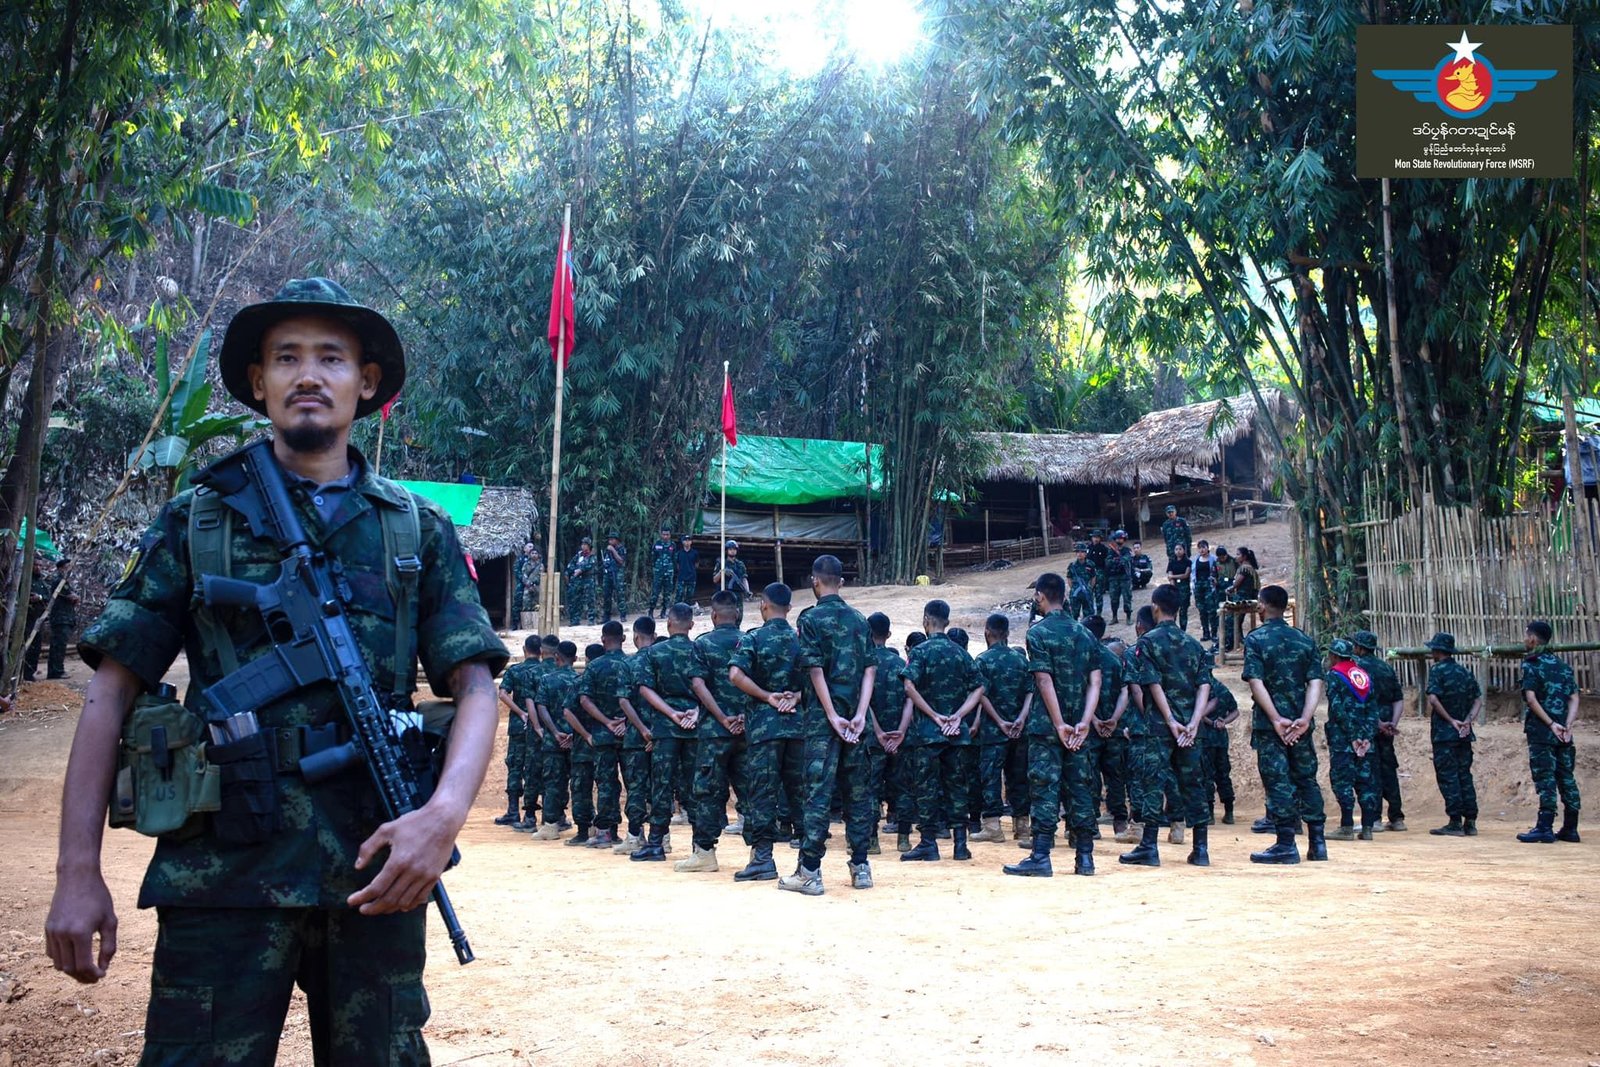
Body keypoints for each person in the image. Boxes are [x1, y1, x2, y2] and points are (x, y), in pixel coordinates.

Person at [46, 277, 507, 1062]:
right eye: (286, 357)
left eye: (331, 357)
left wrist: (443, 817)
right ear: (258, 382)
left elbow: (476, 686)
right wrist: (76, 871)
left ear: (366, 381)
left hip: (376, 867)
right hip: (222, 874)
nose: (308, 374)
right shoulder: (197, 520)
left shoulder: (415, 529)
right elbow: (110, 690)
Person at [787, 555, 877, 895]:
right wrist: (860, 714)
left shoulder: (810, 619)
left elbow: (814, 670)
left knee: (818, 794)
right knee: (858, 794)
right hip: (856, 722)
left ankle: (810, 871)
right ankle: (861, 867)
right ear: (841, 581)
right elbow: (870, 669)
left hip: (824, 725)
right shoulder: (859, 620)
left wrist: (831, 715)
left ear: (815, 580)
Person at [1003, 572, 1103, 878]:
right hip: (1079, 729)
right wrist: (1084, 722)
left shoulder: (1038, 633)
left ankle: (1041, 856)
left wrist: (1059, 724)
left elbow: (1043, 681)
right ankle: (1085, 858)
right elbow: (1095, 682)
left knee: (1045, 788)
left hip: (1048, 728)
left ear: (1041, 596)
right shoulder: (1085, 634)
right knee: (1080, 787)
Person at [1120, 585, 1213, 867]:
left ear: (1155, 607)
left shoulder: (1147, 642)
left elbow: (1152, 683)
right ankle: (1200, 849)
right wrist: (1193, 722)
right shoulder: (1194, 644)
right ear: (1179, 609)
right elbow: (1205, 686)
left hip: (1159, 727)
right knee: (1193, 784)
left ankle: (1149, 847)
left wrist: (1170, 720)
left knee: (1153, 783)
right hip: (1190, 729)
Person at [1243, 585, 1326, 865]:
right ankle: (1318, 844)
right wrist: (1305, 718)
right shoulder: (1304, 640)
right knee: (1306, 779)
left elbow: (1256, 682)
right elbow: (1315, 682)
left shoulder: (1256, 639)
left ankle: (1286, 844)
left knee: (1278, 781)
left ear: (1263, 606)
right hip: (1301, 725)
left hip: (1271, 727)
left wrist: (1276, 719)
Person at [728, 583, 806, 882]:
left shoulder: (754, 638)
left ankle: (763, 858)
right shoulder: (801, 639)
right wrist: (795, 696)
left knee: (762, 792)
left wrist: (766, 696)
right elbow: (817, 676)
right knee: (801, 794)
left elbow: (735, 674)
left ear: (763, 605)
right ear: (789, 608)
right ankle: (808, 863)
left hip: (764, 729)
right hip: (797, 727)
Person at [899, 600, 984, 863]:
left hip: (928, 733)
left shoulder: (920, 652)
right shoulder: (960, 653)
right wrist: (958, 715)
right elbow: (979, 688)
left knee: (926, 788)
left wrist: (933, 715)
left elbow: (909, 686)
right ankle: (960, 845)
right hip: (957, 734)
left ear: (926, 620)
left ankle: (928, 843)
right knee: (957, 787)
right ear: (947, 622)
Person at [631, 603, 710, 861]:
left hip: (666, 728)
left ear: (668, 624)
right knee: (695, 785)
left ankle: (657, 843)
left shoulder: (654, 652)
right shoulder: (700, 649)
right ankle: (701, 846)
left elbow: (645, 689)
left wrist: (671, 713)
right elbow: (709, 687)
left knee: (661, 785)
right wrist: (696, 711)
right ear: (691, 625)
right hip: (695, 727)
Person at [678, 590, 749, 874]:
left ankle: (705, 853)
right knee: (753, 791)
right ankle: (761, 854)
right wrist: (743, 716)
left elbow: (698, 685)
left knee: (707, 791)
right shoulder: (749, 641)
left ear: (714, 615)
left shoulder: (703, 644)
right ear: (738, 614)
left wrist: (721, 717)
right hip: (747, 730)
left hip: (713, 732)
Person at [1516, 619, 1581, 844]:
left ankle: (1544, 827)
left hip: (1542, 732)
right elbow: (1574, 698)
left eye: (1526, 635)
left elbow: (1531, 699)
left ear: (1533, 638)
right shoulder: (1562, 666)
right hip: (1564, 733)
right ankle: (1571, 828)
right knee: (1566, 777)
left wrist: (1551, 724)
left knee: (1545, 778)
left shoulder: (1531, 664)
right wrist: (1568, 725)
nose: (1524, 639)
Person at [972, 613, 1032, 844]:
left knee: (991, 776)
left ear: (987, 632)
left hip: (993, 732)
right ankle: (1022, 826)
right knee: (1019, 776)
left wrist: (999, 721)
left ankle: (993, 826)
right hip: (1020, 730)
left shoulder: (983, 661)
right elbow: (1031, 691)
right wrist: (1021, 718)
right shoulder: (1021, 660)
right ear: (1007, 633)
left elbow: (981, 695)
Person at [576, 623, 632, 848]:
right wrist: (625, 720)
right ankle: (636, 833)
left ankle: (605, 833)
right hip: (630, 734)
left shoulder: (594, 666)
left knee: (606, 784)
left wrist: (607, 722)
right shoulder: (632, 663)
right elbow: (641, 697)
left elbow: (584, 700)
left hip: (602, 735)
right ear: (624, 638)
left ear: (603, 639)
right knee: (634, 783)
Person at [1422, 632, 1481, 838]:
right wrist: (1467, 720)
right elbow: (1478, 700)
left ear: (1437, 651)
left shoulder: (1437, 671)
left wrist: (1450, 720)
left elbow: (1433, 699)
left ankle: (1455, 821)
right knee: (1464, 774)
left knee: (1448, 776)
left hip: (1444, 734)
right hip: (1464, 734)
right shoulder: (1464, 672)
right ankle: (1470, 821)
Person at [1323, 638, 1382, 841]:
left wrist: (1353, 736)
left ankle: (1346, 826)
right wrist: (1367, 737)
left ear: (1334, 656)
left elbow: (1337, 709)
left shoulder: (1334, 675)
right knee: (1365, 782)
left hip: (1343, 740)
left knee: (1342, 782)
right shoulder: (1364, 676)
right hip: (1365, 742)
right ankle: (1367, 827)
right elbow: (1373, 710)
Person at [1350, 629, 1406, 832]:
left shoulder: (1357, 669)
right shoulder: (1386, 668)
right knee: (1388, 768)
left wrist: (1376, 722)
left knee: (1370, 771)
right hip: (1387, 727)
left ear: (1359, 647)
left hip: (1368, 726)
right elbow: (1398, 699)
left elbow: (1360, 701)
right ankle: (1396, 818)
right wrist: (1391, 724)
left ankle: (1373, 819)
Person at [863, 612, 912, 846]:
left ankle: (872, 840)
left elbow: (864, 702)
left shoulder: (864, 664)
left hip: (873, 739)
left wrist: (879, 733)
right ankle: (904, 839)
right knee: (902, 787)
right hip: (901, 738)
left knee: (870, 788)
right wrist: (900, 731)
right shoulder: (901, 664)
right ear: (889, 634)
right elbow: (911, 699)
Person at [612, 617, 658, 854]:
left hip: (637, 737)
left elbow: (624, 701)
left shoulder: (628, 664)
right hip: (664, 734)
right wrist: (656, 732)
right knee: (661, 786)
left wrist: (642, 730)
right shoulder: (662, 658)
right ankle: (662, 837)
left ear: (635, 637)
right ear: (655, 635)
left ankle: (634, 836)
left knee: (636, 787)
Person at [1082, 616, 1131, 838]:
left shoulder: (1082, 658)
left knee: (1090, 775)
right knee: (1115, 777)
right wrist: (1113, 719)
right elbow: (1125, 692)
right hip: (1114, 729)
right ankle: (1120, 823)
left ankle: (1091, 826)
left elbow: (1082, 693)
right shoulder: (1114, 660)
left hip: (1090, 729)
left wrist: (1093, 720)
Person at [531, 641, 581, 840]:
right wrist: (574, 733)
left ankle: (551, 825)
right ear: (575, 659)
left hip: (553, 742)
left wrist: (554, 732)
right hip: (577, 741)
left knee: (552, 782)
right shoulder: (580, 679)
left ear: (556, 657)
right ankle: (585, 826)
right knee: (580, 782)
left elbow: (541, 707)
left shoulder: (547, 680)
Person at [494, 635, 542, 826]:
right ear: (541, 651)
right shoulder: (545, 670)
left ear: (524, 649)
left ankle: (513, 811)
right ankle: (547, 813)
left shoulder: (515, 670)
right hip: (541, 726)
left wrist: (521, 712)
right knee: (537, 765)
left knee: (515, 766)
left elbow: (502, 694)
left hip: (518, 725)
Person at [563, 643, 607, 848]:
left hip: (584, 744)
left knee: (581, 787)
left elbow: (567, 712)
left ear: (587, 659)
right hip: (608, 741)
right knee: (607, 785)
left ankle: (583, 830)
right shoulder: (611, 678)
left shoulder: (580, 681)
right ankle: (608, 830)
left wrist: (584, 734)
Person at [1199, 665, 1239, 825]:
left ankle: (1209, 813)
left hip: (1205, 738)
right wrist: (1223, 722)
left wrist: (1211, 723)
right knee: (1223, 774)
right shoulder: (1222, 688)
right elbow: (1235, 711)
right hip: (1221, 739)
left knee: (1206, 775)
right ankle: (1229, 812)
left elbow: (1199, 714)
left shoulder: (1202, 688)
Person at [43, 557, 79, 679]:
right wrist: (74, 597)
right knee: (59, 645)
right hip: (61, 618)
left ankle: (55, 670)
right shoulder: (59, 581)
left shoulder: (64, 581)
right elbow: (71, 597)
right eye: (66, 567)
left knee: (59, 645)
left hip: (65, 617)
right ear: (60, 568)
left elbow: (73, 598)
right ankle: (57, 671)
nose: (69, 570)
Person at [21, 555, 51, 681]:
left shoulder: (41, 582)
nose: (38, 567)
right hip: (26, 618)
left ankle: (30, 673)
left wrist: (40, 597)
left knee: (36, 647)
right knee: (27, 645)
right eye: (35, 565)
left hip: (39, 619)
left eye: (40, 565)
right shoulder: (24, 579)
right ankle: (22, 673)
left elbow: (48, 597)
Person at [1223, 548, 1258, 654]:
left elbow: (1236, 584)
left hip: (1243, 598)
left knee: (1230, 621)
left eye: (1238, 554)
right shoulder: (1249, 567)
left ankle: (1229, 644)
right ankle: (1240, 641)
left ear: (1244, 556)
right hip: (1247, 596)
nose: (1236, 556)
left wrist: (1230, 589)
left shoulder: (1244, 569)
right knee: (1238, 621)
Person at [1191, 539, 1220, 646]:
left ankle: (1214, 633)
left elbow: (1218, 572)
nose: (1202, 550)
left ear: (1208, 548)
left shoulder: (1214, 559)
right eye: (1200, 548)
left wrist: (1215, 582)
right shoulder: (1195, 560)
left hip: (1209, 586)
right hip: (1198, 587)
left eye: (1203, 547)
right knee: (1202, 611)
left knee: (1212, 610)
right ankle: (1205, 633)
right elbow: (1193, 574)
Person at [566, 537, 599, 626]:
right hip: (578, 580)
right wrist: (573, 571)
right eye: (582, 544)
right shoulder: (579, 555)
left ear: (589, 546)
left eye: (585, 544)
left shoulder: (592, 555)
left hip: (588, 579)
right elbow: (571, 564)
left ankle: (591, 619)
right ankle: (575, 620)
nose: (583, 546)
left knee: (590, 599)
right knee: (576, 599)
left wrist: (581, 569)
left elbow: (590, 565)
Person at [648, 526, 677, 619]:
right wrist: (656, 568)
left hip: (669, 572)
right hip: (658, 572)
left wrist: (672, 570)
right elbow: (653, 558)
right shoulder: (657, 544)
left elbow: (674, 559)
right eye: (664, 534)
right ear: (661, 534)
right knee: (655, 593)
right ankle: (651, 611)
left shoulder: (673, 545)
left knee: (667, 594)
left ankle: (663, 612)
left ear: (670, 535)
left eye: (667, 535)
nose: (665, 536)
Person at [1105, 531, 1134, 624]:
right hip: (1114, 578)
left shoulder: (1127, 550)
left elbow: (1126, 559)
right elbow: (1108, 562)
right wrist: (1117, 561)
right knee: (1113, 599)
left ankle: (1128, 617)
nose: (1119, 540)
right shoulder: (1111, 550)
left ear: (1124, 539)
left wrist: (1117, 560)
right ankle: (1114, 617)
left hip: (1125, 578)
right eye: (1117, 539)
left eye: (1121, 539)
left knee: (1127, 598)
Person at [601, 533, 628, 622]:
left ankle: (623, 615)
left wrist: (613, 550)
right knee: (606, 595)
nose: (610, 541)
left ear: (617, 540)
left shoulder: (621, 549)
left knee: (620, 594)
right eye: (609, 540)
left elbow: (621, 561)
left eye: (612, 539)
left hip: (617, 574)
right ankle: (606, 616)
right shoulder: (607, 550)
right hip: (608, 574)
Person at [1166, 542, 1193, 632]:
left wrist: (1173, 576)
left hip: (1184, 588)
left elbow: (1186, 575)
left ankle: (1183, 630)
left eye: (1180, 549)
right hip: (1174, 587)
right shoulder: (1171, 562)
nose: (1178, 551)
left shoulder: (1188, 562)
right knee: (1173, 610)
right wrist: (1173, 587)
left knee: (1183, 610)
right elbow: (1169, 575)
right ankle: (1172, 629)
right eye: (1176, 549)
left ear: (1184, 550)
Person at [1066, 544, 1096, 621]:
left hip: (1087, 592)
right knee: (1074, 615)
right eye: (1078, 552)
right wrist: (1074, 588)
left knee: (1089, 615)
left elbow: (1093, 577)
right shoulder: (1072, 566)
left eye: (1082, 552)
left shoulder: (1090, 564)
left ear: (1085, 553)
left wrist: (1089, 588)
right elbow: (1069, 578)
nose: (1079, 554)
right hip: (1075, 594)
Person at [516, 542, 543, 625]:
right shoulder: (526, 564)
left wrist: (533, 584)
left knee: (537, 604)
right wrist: (528, 584)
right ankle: (526, 624)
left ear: (538, 555)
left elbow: (540, 576)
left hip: (537, 587)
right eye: (532, 553)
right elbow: (524, 575)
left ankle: (536, 624)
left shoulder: (541, 565)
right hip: (527, 587)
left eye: (536, 553)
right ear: (530, 555)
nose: (534, 555)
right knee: (526, 604)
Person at [1086, 530, 1110, 616]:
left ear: (1100, 538)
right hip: (1089, 573)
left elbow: (1107, 562)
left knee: (1099, 594)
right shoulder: (1088, 548)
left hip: (1100, 573)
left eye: (1097, 537)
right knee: (1088, 593)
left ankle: (1099, 613)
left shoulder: (1104, 549)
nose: (1095, 539)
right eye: (1094, 537)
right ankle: (1089, 612)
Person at [674, 534, 699, 607]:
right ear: (682, 542)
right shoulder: (679, 553)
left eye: (689, 540)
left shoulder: (695, 553)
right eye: (685, 540)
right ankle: (677, 609)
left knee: (689, 596)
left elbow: (697, 564)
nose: (687, 542)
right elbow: (677, 565)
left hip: (691, 577)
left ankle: (686, 610)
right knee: (679, 595)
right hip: (681, 577)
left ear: (691, 542)